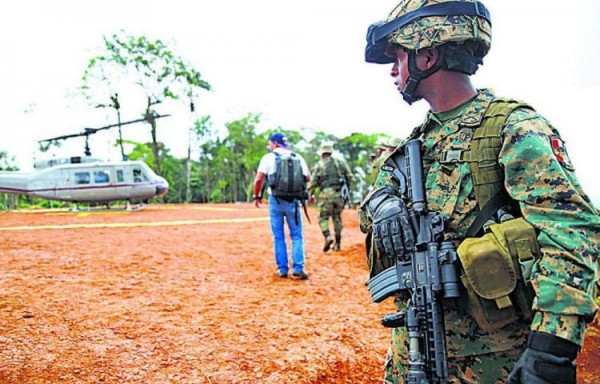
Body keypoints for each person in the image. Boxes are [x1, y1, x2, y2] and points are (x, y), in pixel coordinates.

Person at [359, 1, 599, 383]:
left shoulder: (513, 128)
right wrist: (385, 205)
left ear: (428, 54)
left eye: (399, 55)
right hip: (415, 353)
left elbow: (572, 231)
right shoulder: (418, 144)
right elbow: (375, 196)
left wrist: (551, 350)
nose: (393, 69)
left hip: (495, 363)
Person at [253, 132, 311, 280]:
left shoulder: (269, 158)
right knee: (297, 235)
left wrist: (257, 196)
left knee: (279, 236)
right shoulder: (297, 157)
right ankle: (298, 268)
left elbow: (259, 179)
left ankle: (283, 269)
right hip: (294, 201)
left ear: (274, 143)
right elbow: (308, 177)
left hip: (276, 200)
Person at [307, 142, 353, 252]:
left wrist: (309, 193)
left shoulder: (319, 166)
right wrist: (346, 190)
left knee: (323, 218)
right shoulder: (341, 164)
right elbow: (350, 177)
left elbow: (313, 183)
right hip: (339, 195)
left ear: (322, 154)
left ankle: (327, 236)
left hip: (325, 196)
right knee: (337, 218)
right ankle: (337, 244)